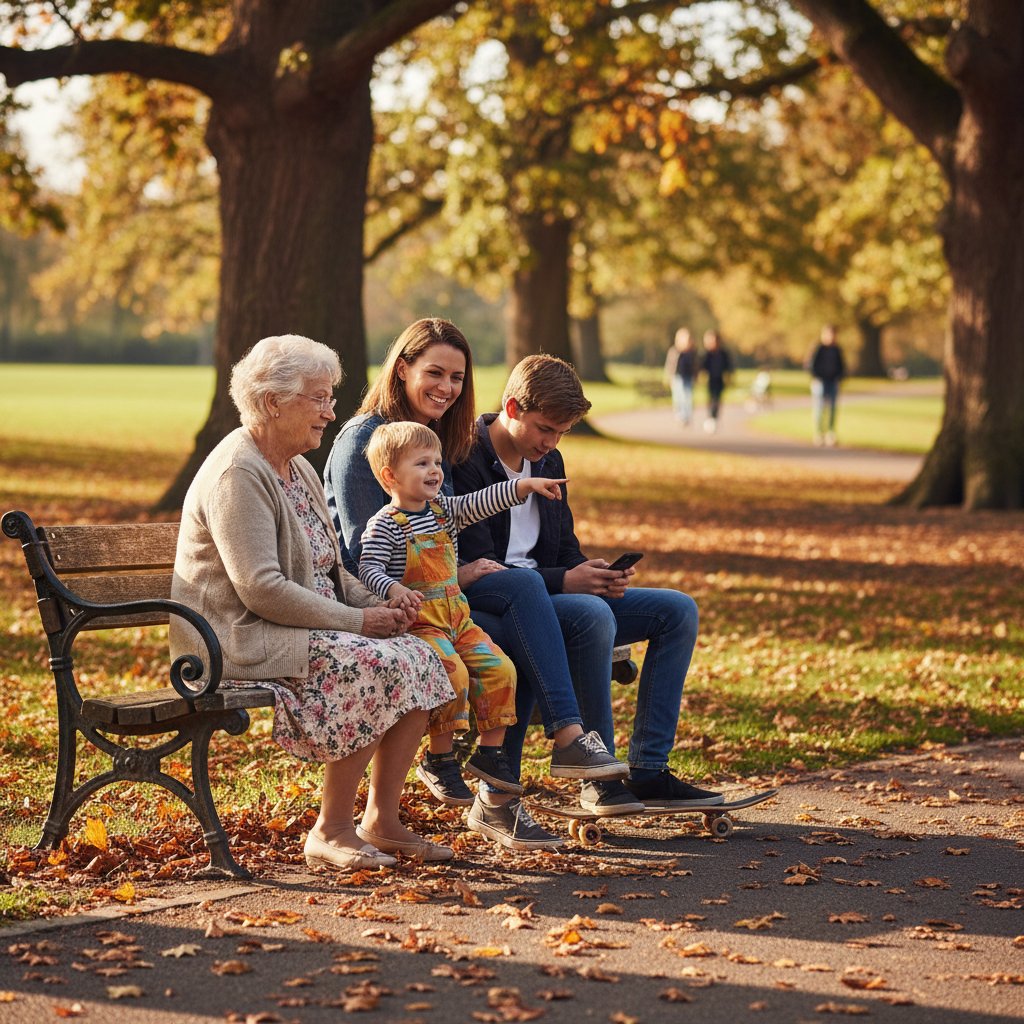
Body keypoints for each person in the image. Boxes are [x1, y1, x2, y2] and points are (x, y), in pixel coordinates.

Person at [324, 318, 626, 851]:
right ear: (402, 369)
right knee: (526, 604)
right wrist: (453, 576)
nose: (447, 387)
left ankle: (518, 778)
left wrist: (517, 490)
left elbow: (459, 514)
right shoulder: (367, 443)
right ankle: (544, 756)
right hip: (393, 608)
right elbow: (362, 555)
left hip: (449, 604)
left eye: (457, 377)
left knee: (558, 616)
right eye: (434, 372)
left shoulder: (440, 442)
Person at [170, 335, 455, 870]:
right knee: (371, 661)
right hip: (235, 637)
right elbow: (261, 588)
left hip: (304, 625)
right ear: (274, 401)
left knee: (421, 654)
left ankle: (382, 821)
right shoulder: (239, 472)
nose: (330, 412)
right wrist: (357, 622)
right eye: (318, 399)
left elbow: (332, 568)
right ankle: (331, 830)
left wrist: (384, 601)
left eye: (330, 397)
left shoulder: (297, 466)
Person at [454, 354, 723, 824]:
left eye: (562, 433)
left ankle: (647, 771)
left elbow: (563, 547)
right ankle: (600, 781)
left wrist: (593, 573)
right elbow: (482, 563)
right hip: (496, 597)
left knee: (677, 610)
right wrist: (566, 582)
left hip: (556, 593)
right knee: (589, 615)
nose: (552, 442)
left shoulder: (548, 457)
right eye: (544, 428)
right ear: (513, 408)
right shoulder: (466, 456)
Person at [358, 419, 571, 800]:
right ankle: (439, 760)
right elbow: (367, 569)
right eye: (422, 463)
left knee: (501, 669)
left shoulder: (442, 511)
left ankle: (490, 754)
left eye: (437, 462)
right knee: (451, 677)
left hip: (459, 619)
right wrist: (393, 588)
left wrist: (523, 486)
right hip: (421, 626)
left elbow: (479, 502)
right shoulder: (385, 525)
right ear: (390, 475)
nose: (435, 471)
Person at [808, 324, 845, 446]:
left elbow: (842, 366)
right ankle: (819, 433)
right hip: (820, 381)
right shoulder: (818, 348)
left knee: (832, 409)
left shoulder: (837, 349)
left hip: (833, 382)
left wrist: (840, 378)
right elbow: (811, 365)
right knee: (820, 408)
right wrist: (816, 377)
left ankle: (830, 433)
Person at [700, 329, 733, 433]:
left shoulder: (723, 353)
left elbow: (728, 367)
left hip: (720, 380)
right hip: (711, 380)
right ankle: (711, 416)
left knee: (717, 399)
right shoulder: (707, 354)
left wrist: (729, 378)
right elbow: (703, 366)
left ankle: (714, 416)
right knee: (711, 398)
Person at [664, 327, 697, 425]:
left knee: (688, 397)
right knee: (678, 397)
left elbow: (696, 365)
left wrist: (696, 375)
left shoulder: (692, 353)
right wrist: (668, 377)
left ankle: (686, 416)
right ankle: (679, 415)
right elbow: (669, 365)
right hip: (677, 377)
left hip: (688, 377)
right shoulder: (674, 351)